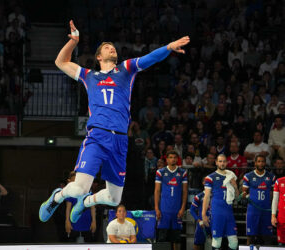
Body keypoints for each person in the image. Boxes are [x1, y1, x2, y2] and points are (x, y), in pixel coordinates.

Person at [39, 20, 190, 223]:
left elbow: (149, 59)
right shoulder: (88, 75)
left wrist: (168, 48)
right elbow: (60, 62)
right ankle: (57, 197)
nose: (112, 48)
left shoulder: (125, 70)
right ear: (99, 57)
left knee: (113, 198)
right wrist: (73, 42)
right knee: (78, 188)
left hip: (119, 140)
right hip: (97, 136)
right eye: (106, 47)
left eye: (113, 47)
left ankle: (85, 203)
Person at [202, 154, 239, 250]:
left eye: (224, 161)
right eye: (220, 161)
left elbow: (237, 197)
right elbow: (206, 197)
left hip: (229, 212)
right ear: (216, 162)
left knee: (234, 242)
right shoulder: (210, 177)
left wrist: (235, 186)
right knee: (217, 241)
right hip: (217, 212)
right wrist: (203, 214)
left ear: (227, 162)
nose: (222, 163)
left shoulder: (231, 176)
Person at [154, 151, 188, 250]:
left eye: (174, 157)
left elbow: (185, 191)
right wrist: (156, 208)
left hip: (177, 210)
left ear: (177, 159)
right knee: (162, 238)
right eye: (170, 157)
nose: (173, 159)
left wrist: (182, 208)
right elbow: (157, 190)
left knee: (177, 238)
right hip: (164, 210)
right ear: (167, 159)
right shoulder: (160, 172)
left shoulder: (182, 172)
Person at [242, 155, 275, 246]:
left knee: (267, 237)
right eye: (259, 161)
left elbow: (273, 194)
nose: (261, 163)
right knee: (251, 237)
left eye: (263, 161)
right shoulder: (248, 176)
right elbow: (244, 193)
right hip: (253, 211)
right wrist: (245, 196)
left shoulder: (271, 177)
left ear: (265, 163)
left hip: (266, 211)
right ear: (255, 163)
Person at [190, 178, 211, 250]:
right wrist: (199, 220)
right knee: (197, 244)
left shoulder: (216, 196)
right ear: (203, 183)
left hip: (214, 223)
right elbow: (192, 210)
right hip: (202, 224)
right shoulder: (199, 196)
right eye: (205, 181)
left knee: (216, 245)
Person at [272, 175, 285, 245]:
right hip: (282, 218)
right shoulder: (279, 181)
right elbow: (275, 200)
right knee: (281, 244)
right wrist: (273, 216)